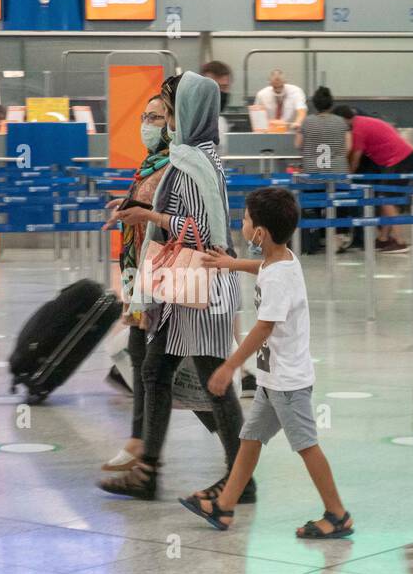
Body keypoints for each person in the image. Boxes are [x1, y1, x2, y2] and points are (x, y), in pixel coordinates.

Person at [102, 72, 253, 503]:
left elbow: (204, 231)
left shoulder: (194, 162)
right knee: (153, 370)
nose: (165, 120)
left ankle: (241, 479)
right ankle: (147, 470)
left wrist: (148, 218)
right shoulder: (195, 155)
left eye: (171, 110)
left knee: (215, 382)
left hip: (199, 285)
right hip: (182, 284)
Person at [181, 188, 351, 538]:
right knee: (250, 439)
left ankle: (337, 514)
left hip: (288, 383)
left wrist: (229, 366)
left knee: (306, 445)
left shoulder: (278, 275)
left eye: (245, 220)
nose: (242, 223)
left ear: (260, 233)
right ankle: (225, 507)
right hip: (273, 380)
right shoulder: (282, 259)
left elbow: (263, 327)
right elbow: (261, 267)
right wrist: (230, 264)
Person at [99, 91, 173, 473]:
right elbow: (147, 208)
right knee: (143, 363)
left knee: (166, 369)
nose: (147, 125)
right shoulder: (149, 165)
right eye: (144, 117)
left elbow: (173, 217)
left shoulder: (175, 165)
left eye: (157, 118)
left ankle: (145, 450)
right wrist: (126, 205)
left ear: (174, 123)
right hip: (137, 278)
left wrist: (142, 213)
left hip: (161, 278)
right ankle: (138, 442)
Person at [332, 104, 413, 253]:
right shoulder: (362, 121)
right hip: (401, 157)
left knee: (386, 199)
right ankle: (383, 239)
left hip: (399, 159)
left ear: (343, 120)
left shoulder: (358, 130)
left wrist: (347, 177)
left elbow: (355, 159)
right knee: (386, 198)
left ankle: (400, 241)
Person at [296, 86, 352, 251]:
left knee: (314, 205)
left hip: (313, 173)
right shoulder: (341, 122)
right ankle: (338, 238)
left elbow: (298, 144)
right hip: (337, 173)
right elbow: (348, 147)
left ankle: (315, 238)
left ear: (314, 104)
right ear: (331, 104)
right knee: (338, 205)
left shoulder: (306, 121)